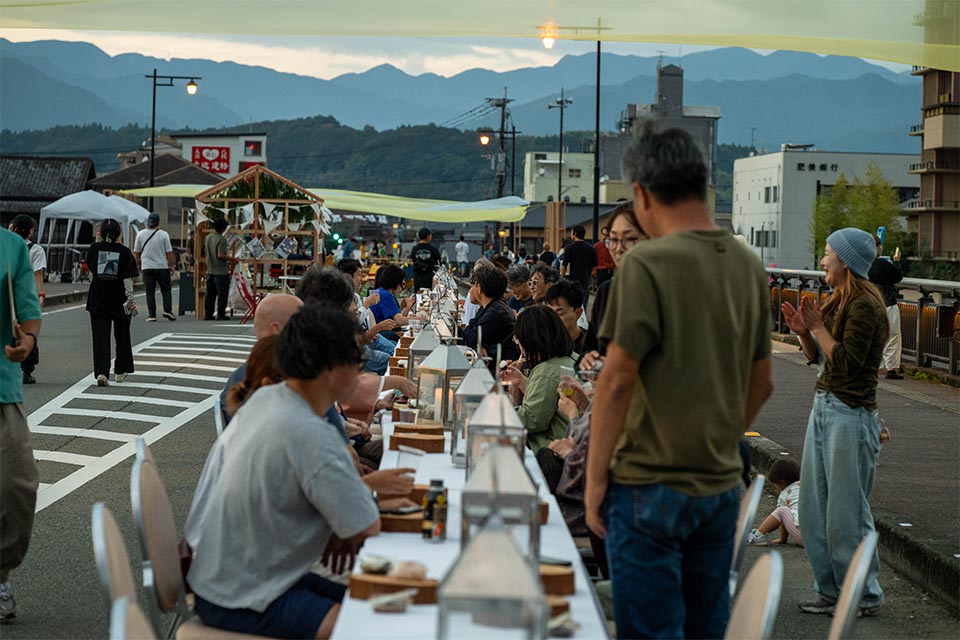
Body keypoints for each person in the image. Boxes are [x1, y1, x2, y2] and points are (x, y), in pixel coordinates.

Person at [585, 121, 774, 639]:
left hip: (647, 483)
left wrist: (595, 480)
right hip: (719, 486)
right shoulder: (746, 263)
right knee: (704, 627)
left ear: (642, 194)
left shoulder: (646, 263)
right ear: (700, 183)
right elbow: (762, 383)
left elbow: (617, 381)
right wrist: (716, 438)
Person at [188, 305, 381, 639]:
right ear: (329, 370)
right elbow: (366, 525)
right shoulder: (310, 431)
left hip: (231, 571)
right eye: (356, 361)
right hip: (240, 593)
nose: (360, 370)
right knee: (363, 623)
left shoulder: (268, 398)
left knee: (373, 599)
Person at [781, 227, 887, 617]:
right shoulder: (839, 299)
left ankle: (862, 595)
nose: (822, 260)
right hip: (826, 408)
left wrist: (817, 328)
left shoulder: (865, 305)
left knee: (846, 514)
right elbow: (820, 358)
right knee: (813, 508)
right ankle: (829, 589)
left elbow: (847, 363)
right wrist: (805, 334)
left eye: (827, 253)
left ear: (846, 260)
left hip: (850, 415)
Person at [0, 227, 42, 621]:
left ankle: (0, 572)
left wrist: (26, 342)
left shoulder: (11, 246)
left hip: (2, 385)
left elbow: (28, 315)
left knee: (18, 484)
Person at [581, 203, 648, 371]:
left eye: (630, 239)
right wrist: (588, 359)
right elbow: (590, 347)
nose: (619, 248)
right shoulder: (607, 291)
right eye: (613, 240)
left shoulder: (668, 292)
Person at [220, 293, 303, 423]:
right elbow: (333, 431)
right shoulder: (301, 375)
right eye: (302, 324)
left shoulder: (239, 377)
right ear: (276, 328)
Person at [502, 305, 575, 452]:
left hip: (552, 447)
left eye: (518, 340)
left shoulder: (546, 371)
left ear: (530, 341)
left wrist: (495, 410)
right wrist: (521, 381)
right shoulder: (572, 359)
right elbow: (547, 400)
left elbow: (532, 419)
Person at [87, 219, 140, 387]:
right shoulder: (124, 252)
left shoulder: (94, 249)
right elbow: (127, 279)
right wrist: (131, 299)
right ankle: (119, 371)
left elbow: (92, 267)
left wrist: (99, 241)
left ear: (101, 233)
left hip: (98, 299)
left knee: (100, 337)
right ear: (119, 234)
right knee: (122, 336)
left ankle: (102, 372)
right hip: (120, 301)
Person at [338, 258, 397, 375]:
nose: (361, 279)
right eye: (359, 274)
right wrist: (367, 306)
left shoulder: (355, 296)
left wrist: (374, 330)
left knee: (396, 350)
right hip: (359, 347)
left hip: (369, 339)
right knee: (394, 359)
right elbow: (354, 328)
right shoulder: (341, 299)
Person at [8, 215, 45, 384]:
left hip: (6, 293)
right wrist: (41, 294)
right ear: (31, 231)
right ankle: (27, 370)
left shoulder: (5, 246)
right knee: (27, 330)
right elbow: (38, 273)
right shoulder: (35, 250)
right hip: (26, 295)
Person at [462, 263, 520, 363]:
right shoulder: (489, 307)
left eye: (472, 286)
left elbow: (469, 339)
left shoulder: (496, 313)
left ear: (479, 288)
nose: (470, 291)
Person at [868, 236, 904, 380]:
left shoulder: (860, 263)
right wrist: (896, 262)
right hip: (887, 302)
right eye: (880, 246)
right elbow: (897, 277)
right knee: (893, 335)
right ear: (877, 247)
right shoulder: (881, 264)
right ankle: (891, 369)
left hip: (869, 304)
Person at [133, 212, 176, 322]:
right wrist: (171, 266)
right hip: (162, 267)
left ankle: (152, 315)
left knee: (150, 292)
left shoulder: (140, 234)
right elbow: (169, 253)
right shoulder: (164, 235)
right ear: (158, 222)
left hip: (147, 267)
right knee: (166, 289)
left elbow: (136, 253)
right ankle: (167, 311)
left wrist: (137, 265)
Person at [748, 460, 803, 547]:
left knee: (781, 511)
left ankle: (757, 535)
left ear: (782, 483)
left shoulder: (786, 492)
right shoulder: (805, 486)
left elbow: (783, 518)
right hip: (817, 537)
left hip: (804, 537)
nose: (775, 489)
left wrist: (783, 539)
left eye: (775, 486)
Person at [544, 279, 592, 359]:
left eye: (560, 314)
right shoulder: (543, 342)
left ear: (578, 313)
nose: (552, 319)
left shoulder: (590, 345)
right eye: (549, 313)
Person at [368, 264, 417, 339]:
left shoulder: (379, 292)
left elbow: (393, 321)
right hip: (379, 335)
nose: (402, 288)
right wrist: (420, 319)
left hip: (375, 332)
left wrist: (403, 308)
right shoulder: (386, 295)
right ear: (396, 282)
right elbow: (399, 322)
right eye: (402, 284)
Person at [203, 218, 233, 321]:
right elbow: (220, 255)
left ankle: (208, 314)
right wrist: (233, 259)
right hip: (221, 271)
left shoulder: (208, 237)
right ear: (223, 229)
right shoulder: (221, 239)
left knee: (210, 295)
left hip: (210, 270)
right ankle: (221, 314)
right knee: (222, 294)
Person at [562, 225, 597, 294]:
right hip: (585, 280)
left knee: (573, 297)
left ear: (575, 234)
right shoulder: (591, 248)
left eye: (571, 233)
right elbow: (594, 265)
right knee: (584, 297)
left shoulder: (569, 248)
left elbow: (564, 265)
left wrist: (562, 277)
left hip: (573, 279)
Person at [410, 227, 441, 291]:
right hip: (430, 281)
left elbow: (413, 261)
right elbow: (438, 264)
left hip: (418, 280)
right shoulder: (434, 250)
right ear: (428, 236)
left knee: (418, 296)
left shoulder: (414, 249)